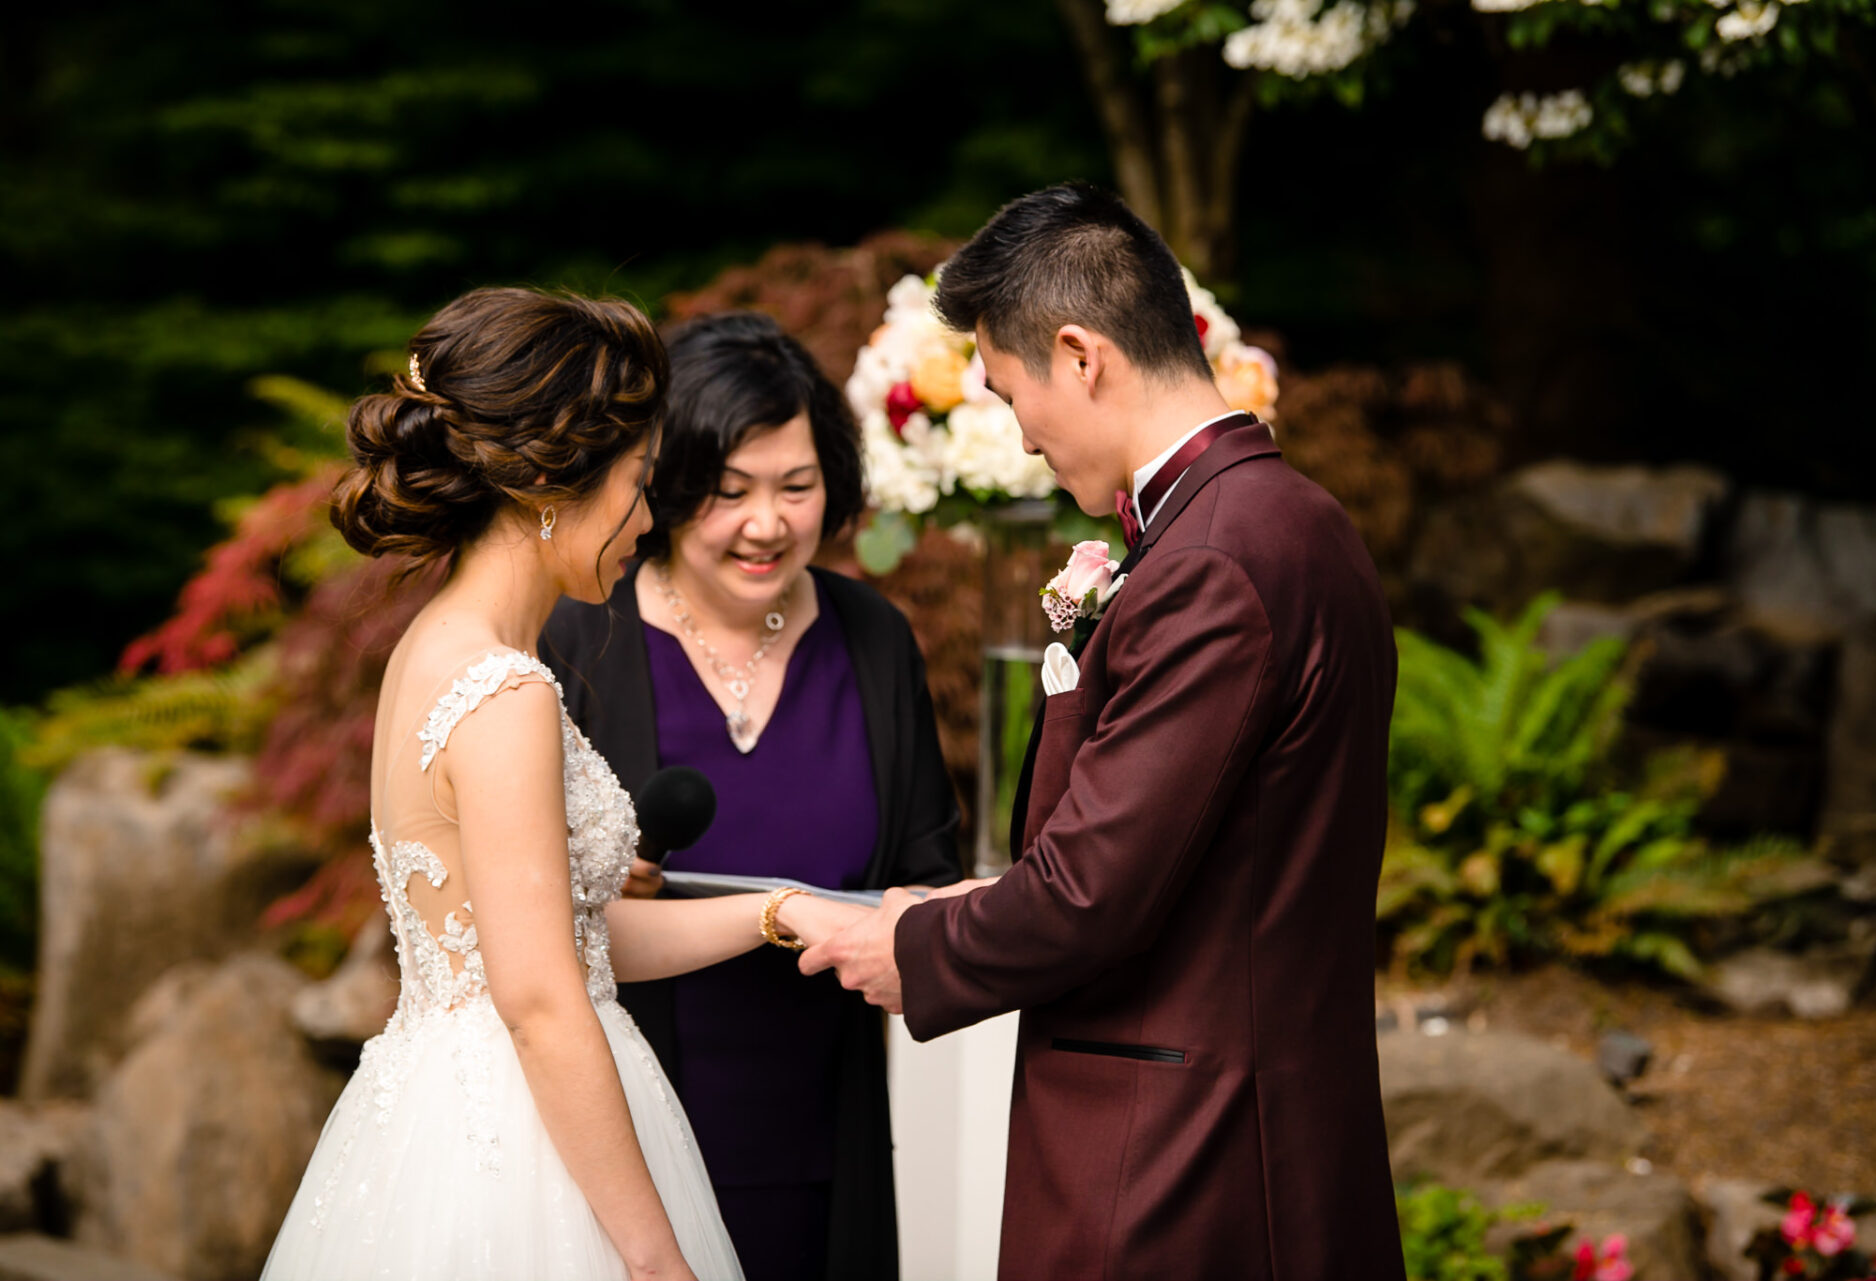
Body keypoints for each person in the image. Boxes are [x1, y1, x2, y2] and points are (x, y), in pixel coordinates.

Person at [802, 184, 1409, 1280]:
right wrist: (970, 902)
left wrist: (908, 946)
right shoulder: (1285, 520)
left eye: (1008, 389)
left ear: (1081, 356)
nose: (1021, 438)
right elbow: (1203, 856)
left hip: (1185, 1159)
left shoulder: (1213, 564)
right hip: (1250, 1120)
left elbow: (1094, 890)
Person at [260, 287, 870, 1281]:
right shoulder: (506, 692)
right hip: (519, 1143)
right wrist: (653, 1256)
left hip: (441, 1111)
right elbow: (543, 1001)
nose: (647, 517)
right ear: (551, 484)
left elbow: (571, 940)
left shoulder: (434, 649)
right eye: (637, 482)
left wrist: (775, 912)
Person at [540, 310, 964, 1281]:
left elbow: (925, 878)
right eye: (727, 493)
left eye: (797, 487)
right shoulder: (577, 640)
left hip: (825, 1140)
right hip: (621, 1153)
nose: (766, 524)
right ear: (666, 484)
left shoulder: (874, 639)